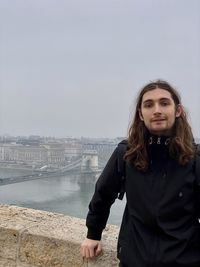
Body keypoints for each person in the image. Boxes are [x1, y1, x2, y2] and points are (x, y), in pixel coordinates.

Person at [80, 80, 200, 267]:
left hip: (184, 260)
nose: (157, 110)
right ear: (141, 115)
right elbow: (103, 194)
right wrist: (93, 234)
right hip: (134, 260)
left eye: (164, 103)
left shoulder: (195, 159)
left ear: (178, 111)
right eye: (149, 105)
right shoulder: (126, 154)